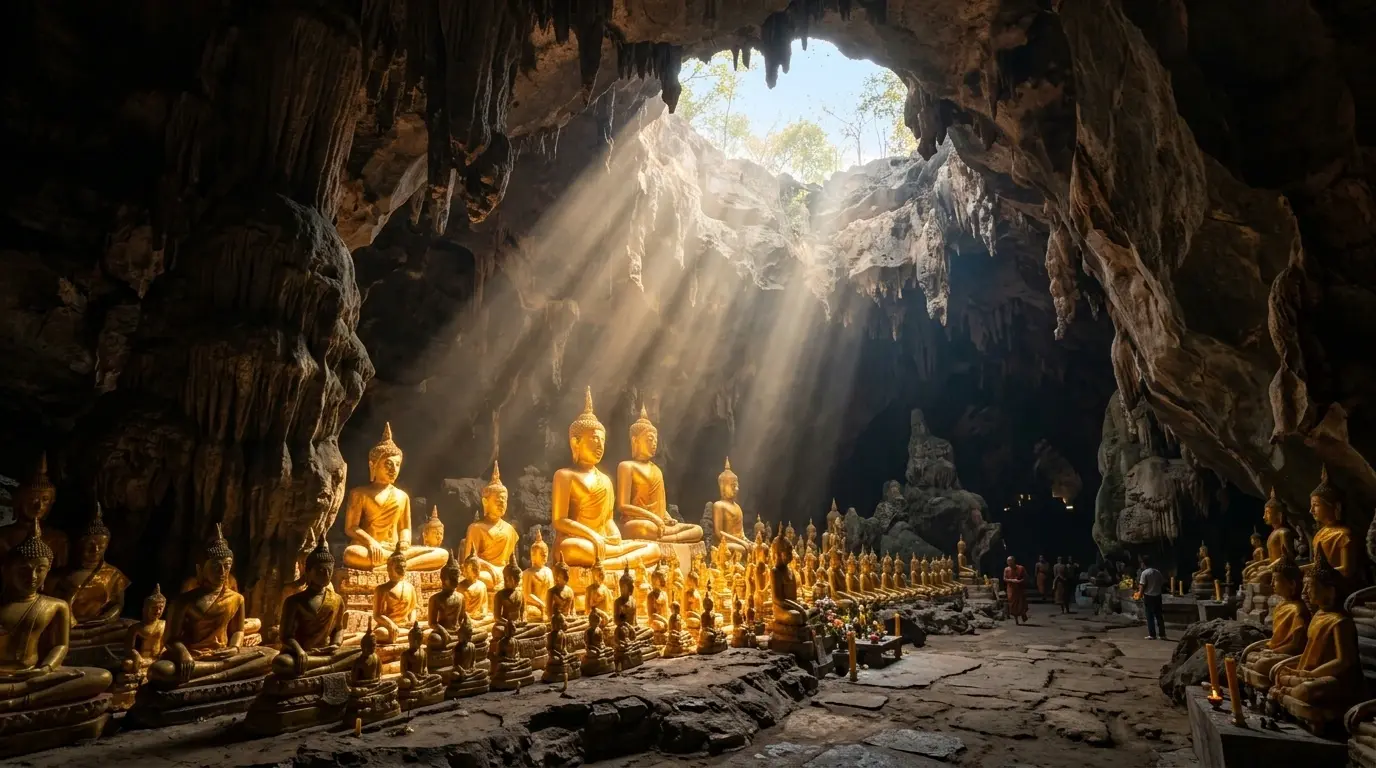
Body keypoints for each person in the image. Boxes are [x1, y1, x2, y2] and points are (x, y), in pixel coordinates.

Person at [1136, 554, 1167, 640]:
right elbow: (1162, 583)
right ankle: (1162, 634)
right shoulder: (1157, 572)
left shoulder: (1144, 573)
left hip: (1148, 596)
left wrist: (1139, 595)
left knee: (1149, 616)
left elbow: (1142, 585)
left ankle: (1152, 634)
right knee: (1159, 616)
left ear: (1144, 563)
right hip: (1157, 596)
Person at [1003, 556, 1029, 624]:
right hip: (1011, 589)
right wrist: (1012, 580)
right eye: (1007, 561)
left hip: (1019, 588)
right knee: (1012, 604)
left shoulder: (1021, 568)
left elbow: (1026, 577)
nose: (1008, 562)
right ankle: (1016, 619)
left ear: (1013, 561)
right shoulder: (1006, 569)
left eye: (1010, 561)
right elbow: (1005, 578)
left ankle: (1023, 613)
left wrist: (1020, 581)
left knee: (1021, 603)